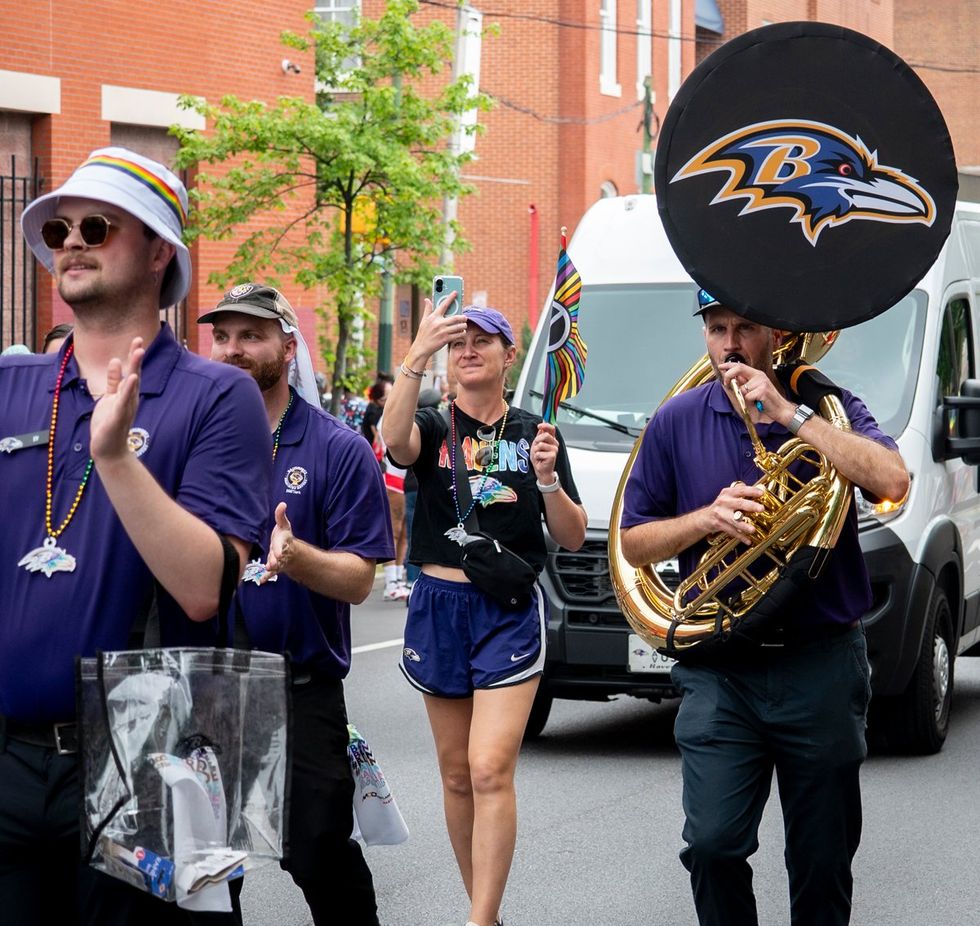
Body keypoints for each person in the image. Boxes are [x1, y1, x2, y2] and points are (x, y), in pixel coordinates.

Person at [0, 147, 272, 924]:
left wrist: (115, 457)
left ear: (159, 251)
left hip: (143, 762)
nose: (71, 242)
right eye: (58, 230)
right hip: (10, 760)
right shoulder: (11, 384)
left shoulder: (217, 396)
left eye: (97, 226)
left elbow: (202, 588)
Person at [618, 290, 910, 926]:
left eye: (744, 327)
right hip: (722, 667)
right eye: (716, 327)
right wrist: (706, 519)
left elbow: (891, 480)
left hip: (822, 663)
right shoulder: (676, 420)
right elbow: (634, 540)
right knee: (713, 846)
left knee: (823, 860)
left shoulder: (828, 406)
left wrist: (790, 413)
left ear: (775, 334)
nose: (728, 343)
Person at [382, 298, 587, 926]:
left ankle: (477, 922)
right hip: (439, 606)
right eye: (456, 342)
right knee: (454, 775)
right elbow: (393, 444)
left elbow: (573, 536)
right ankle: (487, 913)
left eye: (482, 340)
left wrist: (548, 480)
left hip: (505, 608)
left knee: (489, 768)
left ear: (508, 354)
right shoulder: (432, 424)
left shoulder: (535, 434)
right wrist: (418, 352)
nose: (467, 349)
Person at [200, 282, 394, 926]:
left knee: (316, 853)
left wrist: (297, 557)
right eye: (221, 335)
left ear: (287, 347)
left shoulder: (337, 448)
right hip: (206, 687)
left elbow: (360, 580)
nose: (231, 350)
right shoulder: (190, 443)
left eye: (249, 336)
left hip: (299, 689)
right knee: (205, 873)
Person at [363, 377, 410, 600]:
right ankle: (391, 582)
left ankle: (398, 578)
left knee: (403, 533)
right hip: (391, 476)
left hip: (402, 477)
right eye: (388, 394)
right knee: (394, 529)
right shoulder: (386, 417)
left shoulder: (399, 412)